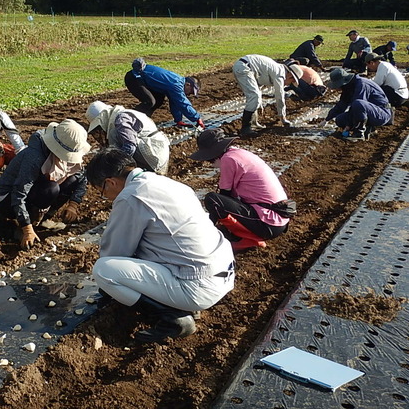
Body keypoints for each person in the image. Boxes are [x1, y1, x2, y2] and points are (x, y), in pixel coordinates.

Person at [87, 148, 235, 343]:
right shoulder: (164, 183)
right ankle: (184, 304)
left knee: (104, 270)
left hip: (199, 286)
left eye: (103, 192)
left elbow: (114, 252)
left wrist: (107, 289)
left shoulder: (131, 196)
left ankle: (171, 317)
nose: (108, 198)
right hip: (223, 270)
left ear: (110, 182)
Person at [0, 119, 90, 249]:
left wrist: (73, 204)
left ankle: (43, 219)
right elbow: (19, 192)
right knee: (51, 189)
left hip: (33, 191)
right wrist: (27, 228)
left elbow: (81, 177)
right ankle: (22, 225)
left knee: (71, 180)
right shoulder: (35, 156)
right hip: (7, 199)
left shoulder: (65, 150)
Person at [189, 129, 291, 251]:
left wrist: (207, 227)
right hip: (278, 219)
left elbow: (223, 195)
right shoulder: (238, 153)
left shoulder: (228, 159)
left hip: (267, 222)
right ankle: (241, 234)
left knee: (213, 200)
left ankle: (247, 239)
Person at [85, 101, 170, 174]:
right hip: (155, 151)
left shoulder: (121, 119)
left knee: (116, 155)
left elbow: (130, 146)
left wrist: (114, 167)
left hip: (153, 153)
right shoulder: (120, 116)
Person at [124, 58, 205, 129]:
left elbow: (175, 102)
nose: (189, 95)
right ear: (188, 84)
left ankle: (144, 119)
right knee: (150, 101)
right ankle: (127, 119)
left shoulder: (178, 82)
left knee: (159, 99)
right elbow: (182, 103)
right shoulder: (176, 85)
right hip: (134, 78)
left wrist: (178, 120)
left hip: (142, 80)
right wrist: (197, 118)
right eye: (190, 92)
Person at [232, 55, 300, 136]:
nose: (288, 85)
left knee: (254, 97)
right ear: (290, 76)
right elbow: (279, 97)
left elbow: (258, 84)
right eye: (291, 82)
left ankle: (253, 123)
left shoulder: (277, 69)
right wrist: (283, 118)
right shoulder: (280, 74)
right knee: (254, 96)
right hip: (244, 68)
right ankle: (245, 128)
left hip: (244, 66)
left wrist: (259, 103)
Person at [321, 68, 392, 140]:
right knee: (340, 119)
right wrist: (326, 119)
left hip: (381, 113)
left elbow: (359, 106)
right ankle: (369, 128)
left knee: (357, 103)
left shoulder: (361, 84)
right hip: (366, 112)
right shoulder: (348, 88)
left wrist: (348, 125)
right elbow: (341, 105)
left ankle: (359, 133)